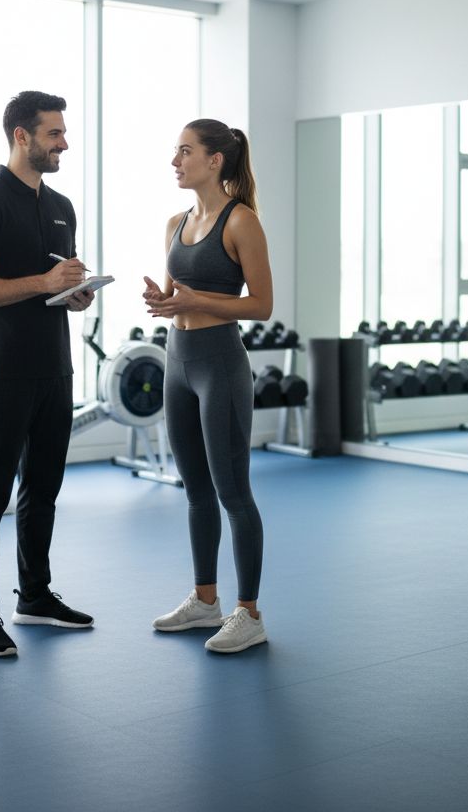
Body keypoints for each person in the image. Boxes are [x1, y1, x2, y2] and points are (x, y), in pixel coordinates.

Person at [0, 90, 95, 657]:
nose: (64, 143)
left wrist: (76, 293)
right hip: (4, 371)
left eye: (63, 132)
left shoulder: (61, 206)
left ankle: (34, 596)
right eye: (54, 133)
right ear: (21, 136)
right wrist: (44, 283)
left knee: (43, 489)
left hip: (54, 369)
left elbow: (57, 284)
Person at [143, 118, 273, 654]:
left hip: (219, 363)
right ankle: (204, 601)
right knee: (195, 490)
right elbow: (176, 292)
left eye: (185, 151)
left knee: (233, 493)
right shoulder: (175, 223)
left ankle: (249, 613)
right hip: (177, 360)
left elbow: (261, 306)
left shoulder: (241, 221)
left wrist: (197, 301)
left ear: (215, 160)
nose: (175, 161)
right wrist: (163, 300)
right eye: (175, 152)